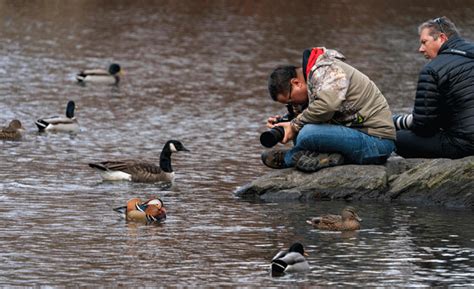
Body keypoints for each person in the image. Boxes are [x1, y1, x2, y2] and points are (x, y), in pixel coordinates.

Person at [261, 47, 396, 172]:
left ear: (296, 83)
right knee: (303, 134)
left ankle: (288, 159)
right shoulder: (314, 79)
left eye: (290, 100)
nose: (292, 103)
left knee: (307, 133)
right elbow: (319, 113)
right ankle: (327, 158)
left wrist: (294, 125)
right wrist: (285, 123)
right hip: (358, 135)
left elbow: (327, 106)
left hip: (377, 142)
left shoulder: (326, 70)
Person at [393, 16, 474, 158]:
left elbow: (424, 127)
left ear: (442, 38)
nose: (420, 49)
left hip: (465, 145)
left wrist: (398, 122)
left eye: (424, 42)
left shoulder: (432, 69)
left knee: (396, 137)